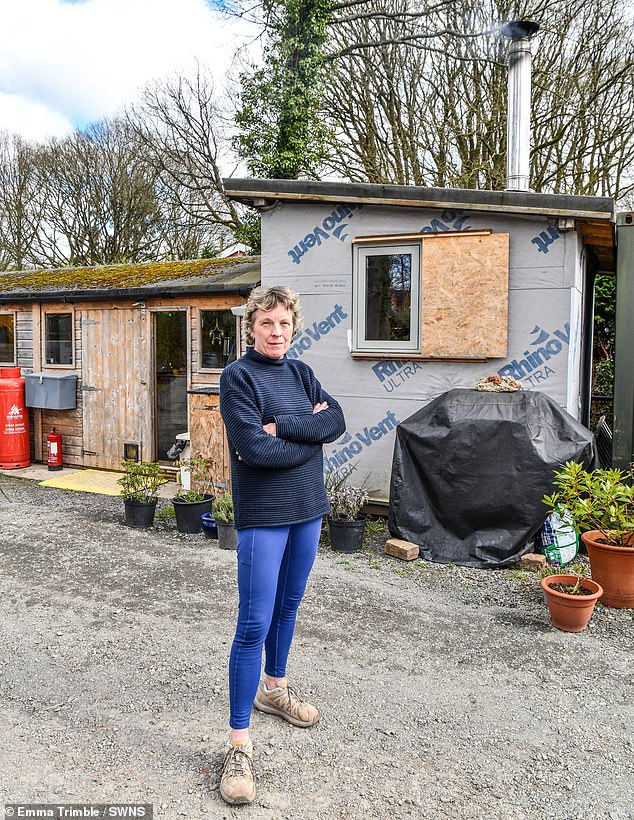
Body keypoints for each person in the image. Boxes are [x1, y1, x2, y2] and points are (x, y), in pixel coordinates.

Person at [218, 285, 346, 805]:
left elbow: (334, 422)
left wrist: (289, 428)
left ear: (294, 328)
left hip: (308, 512)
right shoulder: (237, 377)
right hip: (264, 516)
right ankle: (238, 743)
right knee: (254, 622)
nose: (276, 333)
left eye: (285, 324)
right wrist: (308, 439)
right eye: (267, 323)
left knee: (289, 606)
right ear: (250, 326)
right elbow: (252, 448)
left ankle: (274, 689)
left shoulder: (300, 372)